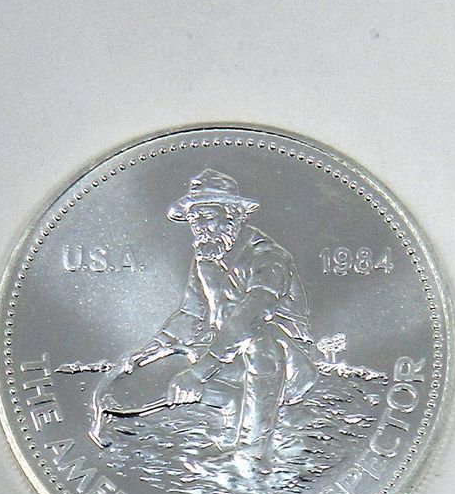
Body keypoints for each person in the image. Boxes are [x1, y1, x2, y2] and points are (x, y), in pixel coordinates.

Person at [90, 169, 318, 461]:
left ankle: (253, 452)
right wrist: (149, 352)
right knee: (152, 372)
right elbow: (190, 316)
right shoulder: (205, 259)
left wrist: (198, 373)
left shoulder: (268, 257)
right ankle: (230, 418)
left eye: (207, 217)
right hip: (227, 356)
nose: (200, 228)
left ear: (233, 215)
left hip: (286, 365)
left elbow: (251, 316)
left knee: (260, 340)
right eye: (194, 220)